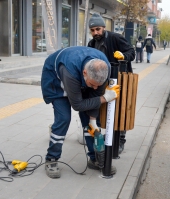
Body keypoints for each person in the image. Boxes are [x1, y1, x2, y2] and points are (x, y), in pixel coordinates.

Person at [41, 46, 120, 179]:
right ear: (84, 73)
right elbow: (77, 105)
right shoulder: (70, 71)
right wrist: (105, 98)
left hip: (79, 80)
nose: (95, 87)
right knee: (63, 119)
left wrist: (93, 120)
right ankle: (51, 159)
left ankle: (94, 159)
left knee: (89, 121)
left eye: (97, 85)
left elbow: (95, 93)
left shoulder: (103, 67)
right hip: (56, 81)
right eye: (92, 84)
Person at [86, 13, 135, 154]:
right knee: (103, 108)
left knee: (120, 109)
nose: (95, 33)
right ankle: (105, 135)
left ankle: (120, 140)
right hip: (101, 81)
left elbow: (131, 52)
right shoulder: (91, 43)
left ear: (103, 27)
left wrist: (124, 56)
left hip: (119, 79)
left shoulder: (115, 38)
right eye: (93, 30)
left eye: (98, 29)